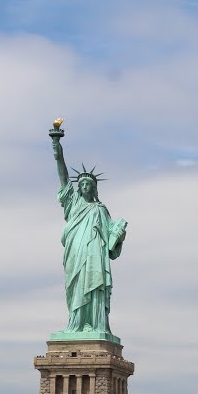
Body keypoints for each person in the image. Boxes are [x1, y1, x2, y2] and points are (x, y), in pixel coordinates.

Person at [50, 124, 126, 336]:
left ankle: (95, 325)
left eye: (88, 184)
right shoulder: (73, 204)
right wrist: (57, 147)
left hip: (95, 257)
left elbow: (112, 241)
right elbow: (63, 176)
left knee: (94, 288)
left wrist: (119, 234)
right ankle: (76, 324)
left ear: (94, 188)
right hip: (76, 252)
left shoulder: (101, 210)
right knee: (75, 287)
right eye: (81, 184)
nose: (84, 186)